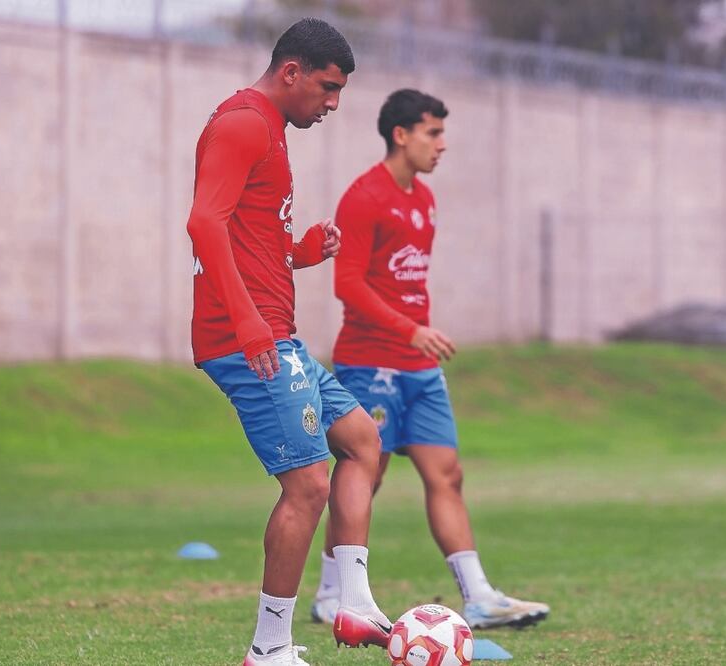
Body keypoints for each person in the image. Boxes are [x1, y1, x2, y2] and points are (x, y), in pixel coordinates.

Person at [185, 19, 391, 665]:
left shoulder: (269, 129)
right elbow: (203, 222)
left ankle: (349, 600)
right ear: (291, 72)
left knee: (362, 443)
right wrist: (247, 320)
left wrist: (294, 254)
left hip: (277, 334)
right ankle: (269, 648)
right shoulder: (243, 122)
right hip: (247, 339)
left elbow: (244, 233)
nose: (331, 104)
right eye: (327, 88)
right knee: (307, 487)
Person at [307, 89, 550, 631]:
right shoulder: (364, 196)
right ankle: (332, 594)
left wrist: (418, 335)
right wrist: (410, 329)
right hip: (370, 366)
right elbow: (347, 284)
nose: (442, 145)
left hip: (420, 370)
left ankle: (480, 596)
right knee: (363, 478)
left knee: (448, 475)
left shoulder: (424, 199)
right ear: (401, 134)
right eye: (433, 133)